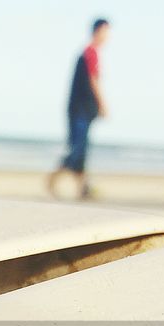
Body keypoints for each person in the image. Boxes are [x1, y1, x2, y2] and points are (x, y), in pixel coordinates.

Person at [46, 18, 109, 201]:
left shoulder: (88, 53)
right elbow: (93, 80)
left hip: (82, 109)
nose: (107, 36)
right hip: (80, 109)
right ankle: (53, 179)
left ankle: (83, 188)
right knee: (77, 149)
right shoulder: (90, 53)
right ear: (97, 31)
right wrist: (103, 104)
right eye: (106, 32)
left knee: (81, 149)